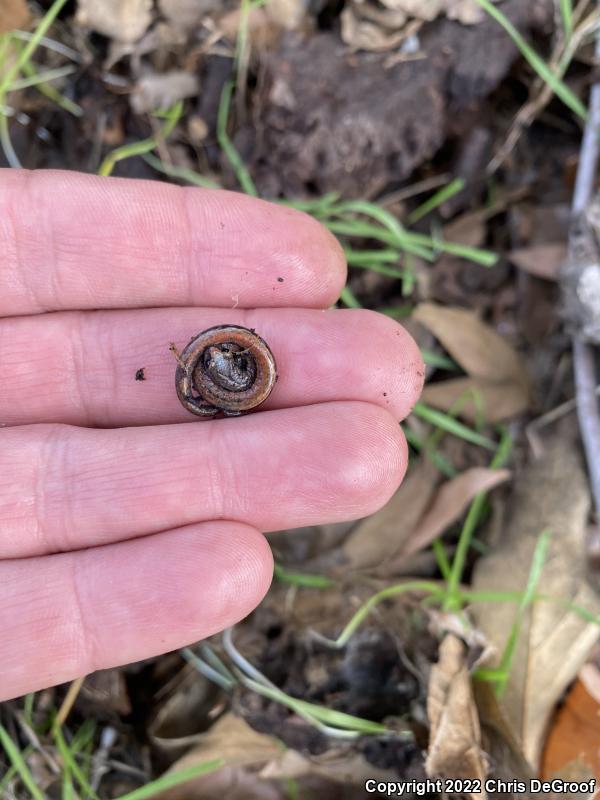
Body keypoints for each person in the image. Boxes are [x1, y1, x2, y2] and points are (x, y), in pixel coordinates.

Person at [0, 169, 424, 701]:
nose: (217, 359)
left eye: (220, 358)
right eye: (215, 358)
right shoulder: (211, 370)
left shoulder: (231, 371)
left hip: (236, 382)